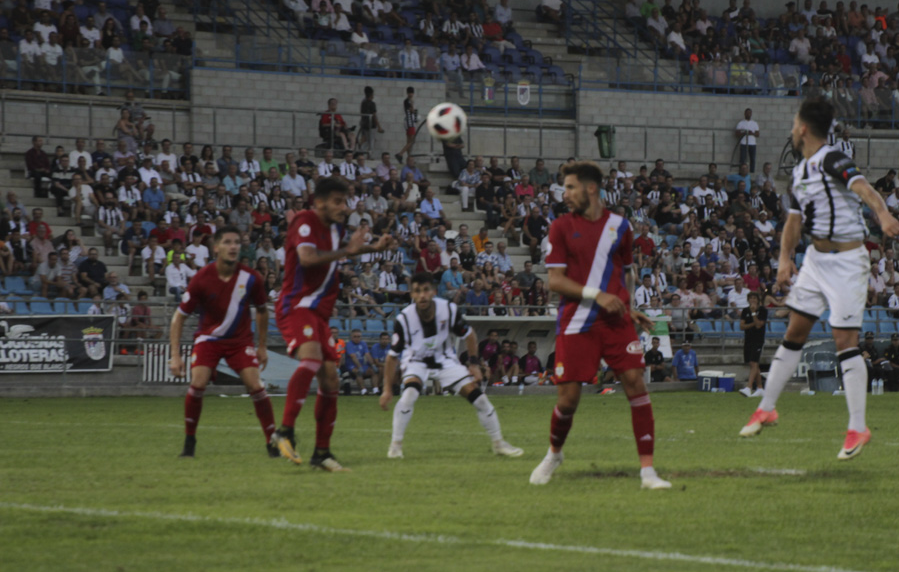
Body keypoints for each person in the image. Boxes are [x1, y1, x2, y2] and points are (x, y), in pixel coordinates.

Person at [739, 97, 899, 461]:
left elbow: (864, 189)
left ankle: (858, 426)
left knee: (845, 340)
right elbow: (794, 222)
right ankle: (766, 407)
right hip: (814, 260)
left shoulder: (831, 158)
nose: (791, 130)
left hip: (847, 260)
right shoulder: (799, 171)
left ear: (802, 128)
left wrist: (883, 215)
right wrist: (784, 259)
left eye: (793, 123)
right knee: (795, 331)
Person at [529, 160, 670, 490]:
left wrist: (629, 307)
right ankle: (554, 453)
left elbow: (625, 270)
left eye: (570, 187)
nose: (565, 194)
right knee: (568, 400)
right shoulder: (560, 227)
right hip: (576, 320)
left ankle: (648, 472)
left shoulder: (621, 226)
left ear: (591, 189)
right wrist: (599, 295)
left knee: (635, 381)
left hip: (615, 321)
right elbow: (554, 281)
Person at [271, 178, 392, 472]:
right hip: (297, 305)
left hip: (320, 314)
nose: (345, 207)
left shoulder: (336, 228)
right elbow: (308, 258)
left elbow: (344, 251)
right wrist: (348, 252)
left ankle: (322, 454)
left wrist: (372, 247)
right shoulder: (305, 220)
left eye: (346, 200)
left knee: (331, 380)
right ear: (320, 202)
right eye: (338, 201)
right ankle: (283, 432)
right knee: (311, 360)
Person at [379, 272, 523, 459]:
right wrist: (387, 389)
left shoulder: (448, 309)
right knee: (409, 394)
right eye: (417, 291)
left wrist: (473, 364)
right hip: (416, 361)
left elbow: (469, 334)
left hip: (445, 360)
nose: (422, 295)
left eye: (425, 290)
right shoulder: (404, 319)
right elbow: (392, 357)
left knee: (479, 399)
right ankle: (396, 445)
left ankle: (498, 443)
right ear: (412, 295)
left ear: (433, 292)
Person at [168, 226, 276, 459]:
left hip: (239, 341)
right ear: (215, 248)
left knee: (256, 386)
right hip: (209, 339)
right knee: (198, 383)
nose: (233, 246)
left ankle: (272, 442)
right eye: (227, 242)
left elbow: (262, 311)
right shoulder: (201, 278)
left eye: (236, 242)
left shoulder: (252, 278)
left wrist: (262, 346)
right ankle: (189, 442)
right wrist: (175, 355)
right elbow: (179, 317)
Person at [738, 292, 766, 395]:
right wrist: (754, 323)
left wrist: (754, 313)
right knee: (752, 363)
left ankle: (748, 387)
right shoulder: (745, 310)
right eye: (751, 298)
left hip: (758, 340)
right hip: (748, 339)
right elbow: (742, 326)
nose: (753, 300)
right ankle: (760, 388)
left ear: (758, 300)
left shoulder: (762, 310)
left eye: (755, 298)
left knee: (754, 363)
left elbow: (759, 326)